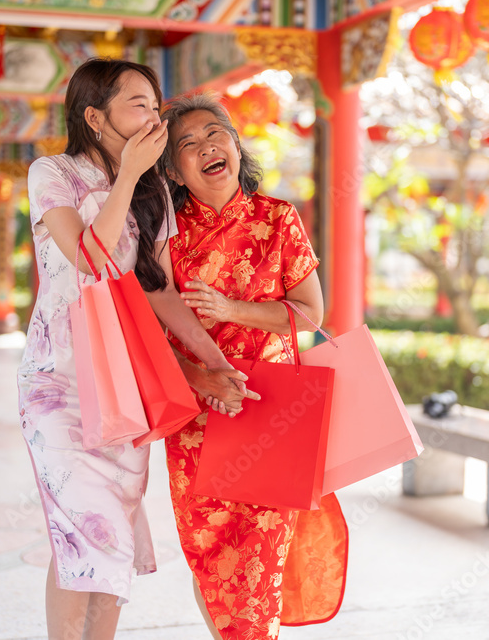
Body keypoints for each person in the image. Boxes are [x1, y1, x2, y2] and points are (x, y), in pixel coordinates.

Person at [17, 59, 256, 640]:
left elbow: (162, 292)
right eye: (138, 105)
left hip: (126, 389)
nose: (154, 116)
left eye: (155, 105)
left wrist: (216, 365)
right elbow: (90, 260)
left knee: (114, 536)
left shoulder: (156, 194)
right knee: (83, 531)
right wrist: (126, 176)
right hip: (59, 386)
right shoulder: (52, 173)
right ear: (95, 117)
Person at [136, 92, 348, 639]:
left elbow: (311, 315)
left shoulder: (278, 218)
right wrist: (200, 377)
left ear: (234, 144)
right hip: (198, 413)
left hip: (271, 408)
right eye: (188, 143)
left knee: (261, 554)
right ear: (173, 171)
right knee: (211, 555)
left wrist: (231, 310)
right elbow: (146, 328)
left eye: (216, 133)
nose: (207, 146)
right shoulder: (162, 233)